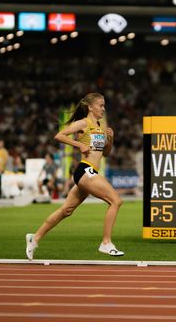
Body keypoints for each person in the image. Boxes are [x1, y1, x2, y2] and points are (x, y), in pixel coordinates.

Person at [26, 92, 124, 259]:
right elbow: (59, 135)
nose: (103, 108)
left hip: (89, 173)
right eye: (100, 105)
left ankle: (34, 238)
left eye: (104, 105)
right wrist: (79, 144)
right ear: (90, 107)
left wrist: (110, 139)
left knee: (66, 210)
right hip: (85, 170)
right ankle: (106, 243)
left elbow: (105, 153)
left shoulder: (99, 126)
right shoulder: (83, 123)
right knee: (116, 200)